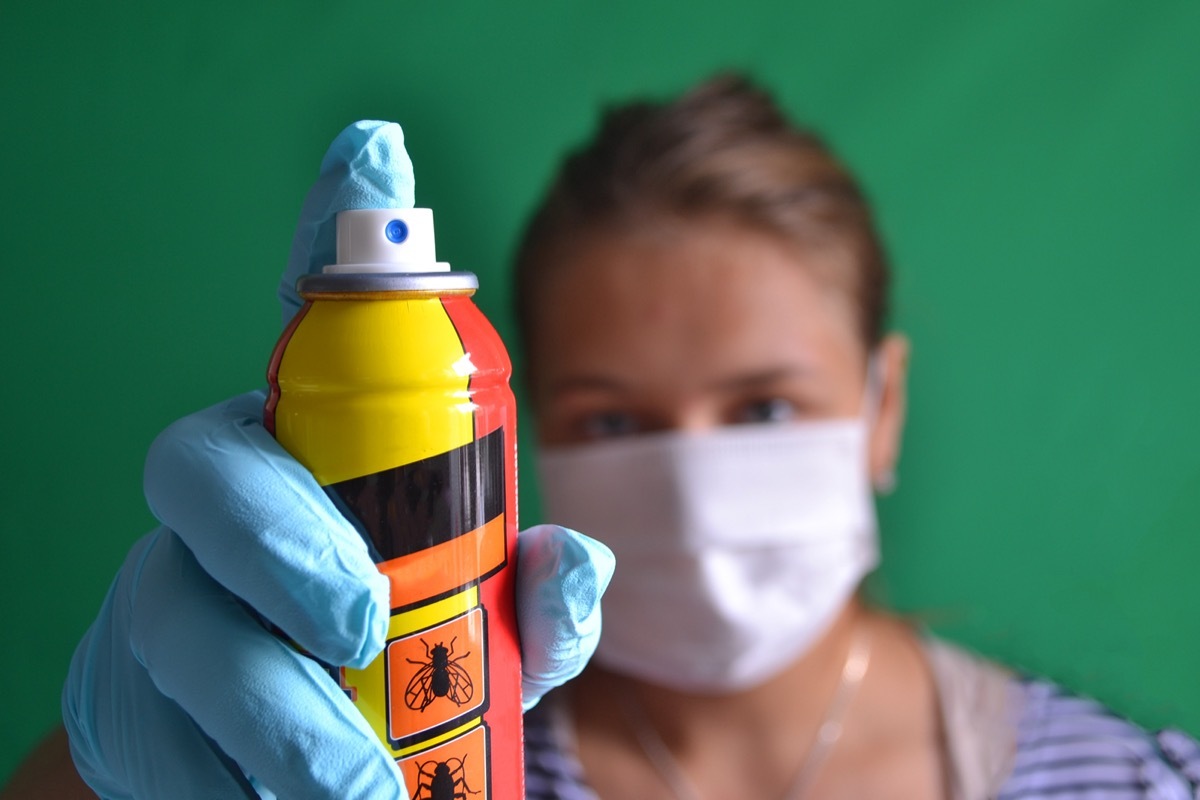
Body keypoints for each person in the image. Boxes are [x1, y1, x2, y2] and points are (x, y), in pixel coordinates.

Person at [13, 74, 1200, 799]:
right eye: (616, 417)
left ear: (882, 407)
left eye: (765, 408)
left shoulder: (1137, 784)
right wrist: (98, 771)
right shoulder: (421, 754)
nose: (691, 483)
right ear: (536, 439)